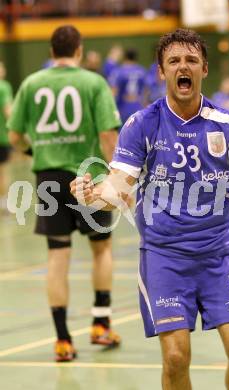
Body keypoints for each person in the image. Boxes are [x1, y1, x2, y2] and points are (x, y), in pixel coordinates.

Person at [71, 29, 229, 389]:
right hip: (165, 257)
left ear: (204, 69)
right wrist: (93, 194)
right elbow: (118, 185)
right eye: (174, 61)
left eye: (191, 60)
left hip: (219, 255)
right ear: (162, 72)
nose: (184, 67)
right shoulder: (142, 124)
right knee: (176, 358)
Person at [7, 25, 122, 362]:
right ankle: (100, 324)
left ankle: (62, 340)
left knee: (58, 256)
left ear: (50, 50)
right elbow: (108, 136)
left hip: (49, 176)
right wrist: (115, 176)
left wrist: (38, 153)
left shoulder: (31, 83)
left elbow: (14, 137)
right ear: (80, 50)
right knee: (101, 249)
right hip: (90, 176)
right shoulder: (92, 82)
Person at [109, 48, 147, 124]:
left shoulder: (119, 71)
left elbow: (113, 91)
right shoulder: (142, 70)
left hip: (123, 107)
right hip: (138, 106)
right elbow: (146, 90)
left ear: (125, 57)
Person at [0, 61, 13, 211]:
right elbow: (8, 111)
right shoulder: (3, 87)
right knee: (2, 172)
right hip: (2, 138)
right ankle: (4, 202)